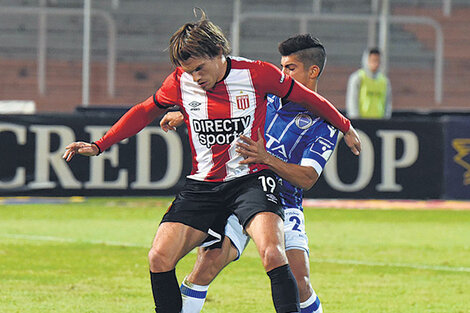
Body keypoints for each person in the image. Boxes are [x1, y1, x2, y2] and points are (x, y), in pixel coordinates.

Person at [63, 10, 361, 313]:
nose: (195, 77)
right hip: (205, 186)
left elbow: (310, 133)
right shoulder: (187, 82)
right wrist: (100, 145)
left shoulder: (262, 79)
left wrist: (345, 126)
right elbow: (145, 110)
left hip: (255, 184)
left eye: (199, 69)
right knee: (171, 259)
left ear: (219, 53)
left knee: (280, 261)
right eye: (189, 71)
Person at [160, 34, 335, 313]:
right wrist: (185, 114)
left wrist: (266, 158)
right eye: (282, 67)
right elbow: (223, 102)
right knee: (206, 264)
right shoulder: (267, 94)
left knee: (299, 283)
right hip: (241, 190)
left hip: (286, 202)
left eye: (290, 68)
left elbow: (307, 178)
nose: (282, 74)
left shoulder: (324, 125)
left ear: (313, 71)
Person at [346, 47, 392, 119]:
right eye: (373, 60)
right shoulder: (358, 78)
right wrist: (355, 120)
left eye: (378, 61)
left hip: (379, 122)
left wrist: (386, 120)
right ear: (366, 60)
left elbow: (387, 104)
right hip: (362, 122)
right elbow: (352, 101)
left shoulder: (384, 81)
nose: (375, 64)